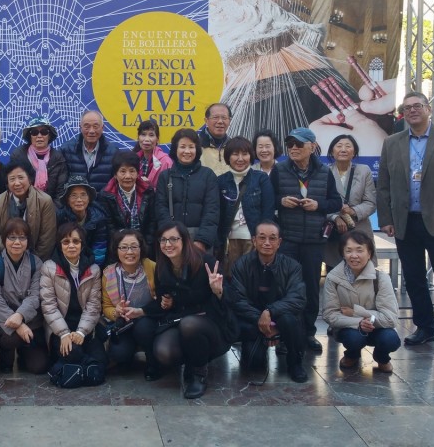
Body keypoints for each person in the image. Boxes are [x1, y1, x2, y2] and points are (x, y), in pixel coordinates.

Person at [378, 91, 434, 358]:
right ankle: (425, 328)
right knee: (414, 279)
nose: (412, 111)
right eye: (407, 108)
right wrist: (386, 219)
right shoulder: (392, 143)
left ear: (428, 109)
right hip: (405, 222)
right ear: (402, 114)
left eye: (417, 106)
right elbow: (383, 185)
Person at [270, 127, 342, 353]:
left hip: (313, 240)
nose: (293, 148)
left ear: (312, 147)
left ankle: (309, 333)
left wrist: (318, 205)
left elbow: (336, 202)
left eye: (299, 145)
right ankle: (284, 335)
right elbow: (268, 199)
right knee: (285, 288)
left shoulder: (324, 172)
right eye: (290, 144)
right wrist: (281, 201)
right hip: (288, 239)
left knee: (311, 288)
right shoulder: (279, 170)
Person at [143, 223, 234, 399]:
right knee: (164, 352)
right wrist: (165, 303)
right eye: (163, 240)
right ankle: (192, 360)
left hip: (212, 325)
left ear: (185, 240)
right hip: (179, 320)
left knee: (190, 324)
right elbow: (165, 299)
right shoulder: (162, 266)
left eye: (173, 239)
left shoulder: (207, 262)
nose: (167, 244)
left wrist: (218, 291)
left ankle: (199, 375)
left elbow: (232, 301)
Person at [223, 220, 308, 383]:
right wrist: (260, 319)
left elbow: (297, 298)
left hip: (281, 316)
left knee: (291, 320)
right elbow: (237, 300)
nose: (267, 243)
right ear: (254, 240)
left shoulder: (292, 266)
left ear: (279, 242)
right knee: (254, 364)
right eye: (262, 238)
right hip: (252, 319)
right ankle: (259, 345)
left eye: (272, 238)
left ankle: (295, 363)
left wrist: (270, 313)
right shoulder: (241, 265)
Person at [323, 230, 401, 373]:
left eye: (360, 250)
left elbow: (390, 318)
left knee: (390, 339)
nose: (354, 256)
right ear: (343, 253)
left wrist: (357, 313)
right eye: (349, 251)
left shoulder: (381, 278)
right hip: (350, 328)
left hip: (378, 327)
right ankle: (352, 355)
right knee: (354, 339)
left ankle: (382, 358)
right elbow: (329, 315)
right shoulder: (333, 278)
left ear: (369, 253)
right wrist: (358, 322)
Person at [39, 223, 106, 380]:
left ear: (82, 245)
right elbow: (48, 306)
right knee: (74, 352)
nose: (71, 246)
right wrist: (64, 334)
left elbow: (94, 306)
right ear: (59, 245)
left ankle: (71, 367)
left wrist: (82, 331)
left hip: (86, 327)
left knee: (103, 360)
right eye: (66, 242)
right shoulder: (49, 268)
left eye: (76, 241)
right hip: (60, 327)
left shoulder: (94, 269)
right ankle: (84, 367)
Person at [0, 218, 48, 374]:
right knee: (10, 338)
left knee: (39, 367)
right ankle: (6, 356)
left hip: (30, 319)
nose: (17, 242)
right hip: (4, 318)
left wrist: (21, 315)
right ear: (4, 240)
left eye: (22, 237)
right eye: (12, 237)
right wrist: (17, 323)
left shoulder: (36, 263)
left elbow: (35, 296)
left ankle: (23, 354)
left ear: (28, 240)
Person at [101, 229, 160, 379]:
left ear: (141, 248)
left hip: (148, 320)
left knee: (143, 327)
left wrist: (142, 311)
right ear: (116, 250)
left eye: (134, 246)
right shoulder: (109, 273)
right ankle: (130, 352)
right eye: (124, 247)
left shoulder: (152, 267)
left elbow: (161, 301)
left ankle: (153, 362)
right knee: (119, 354)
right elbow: (106, 306)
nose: (129, 252)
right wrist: (116, 311)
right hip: (124, 324)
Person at [154, 128, 220, 254]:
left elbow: (212, 211)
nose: (187, 151)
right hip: (171, 240)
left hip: (200, 239)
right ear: (175, 149)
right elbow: (161, 209)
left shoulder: (208, 175)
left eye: (191, 147)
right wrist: (170, 237)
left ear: (197, 149)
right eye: (182, 147)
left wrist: (202, 240)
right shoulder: (165, 176)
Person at [216, 136, 274, 277]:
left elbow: (268, 212)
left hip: (253, 240)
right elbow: (217, 214)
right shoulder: (221, 181)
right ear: (228, 157)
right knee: (231, 279)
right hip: (229, 242)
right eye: (235, 154)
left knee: (254, 278)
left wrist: (261, 238)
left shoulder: (261, 178)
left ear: (251, 155)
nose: (240, 158)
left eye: (245, 154)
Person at [0, 159, 57, 261]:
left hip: (35, 256)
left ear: (30, 179)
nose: (17, 183)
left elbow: (47, 239)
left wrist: (32, 260)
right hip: (2, 254)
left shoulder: (44, 201)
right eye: (12, 179)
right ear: (7, 183)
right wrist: (12, 248)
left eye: (21, 178)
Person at [324, 134, 377, 270]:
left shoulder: (364, 171)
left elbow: (370, 202)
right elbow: (320, 202)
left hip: (359, 228)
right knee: (335, 272)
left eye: (348, 146)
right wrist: (335, 217)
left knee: (362, 271)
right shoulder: (324, 172)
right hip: (335, 231)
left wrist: (353, 211)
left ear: (354, 152)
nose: (343, 149)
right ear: (331, 151)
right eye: (339, 146)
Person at [98, 150, 156, 242]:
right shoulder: (106, 195)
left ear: (138, 173)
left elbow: (152, 223)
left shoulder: (148, 192)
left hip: (144, 244)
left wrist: (146, 246)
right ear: (115, 175)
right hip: (118, 246)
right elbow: (110, 226)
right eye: (123, 171)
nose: (128, 176)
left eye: (132, 171)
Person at [55, 174, 111, 266]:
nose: (79, 200)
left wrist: (90, 269)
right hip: (65, 263)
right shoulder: (60, 217)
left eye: (83, 195)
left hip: (91, 264)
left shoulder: (98, 218)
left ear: (89, 198)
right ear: (67, 199)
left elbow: (99, 250)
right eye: (74, 195)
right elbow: (57, 247)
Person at [58, 110, 118, 193]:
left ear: (102, 128)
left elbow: (115, 186)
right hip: (75, 203)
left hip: (102, 203)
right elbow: (60, 184)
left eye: (96, 126)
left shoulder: (114, 152)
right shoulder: (66, 150)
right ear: (80, 127)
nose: (91, 131)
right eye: (87, 126)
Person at [9, 115, 68, 199]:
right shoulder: (18, 155)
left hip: (51, 208)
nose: (39, 136)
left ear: (49, 135)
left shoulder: (58, 158)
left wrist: (51, 210)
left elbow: (61, 192)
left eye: (44, 132)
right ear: (30, 137)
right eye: (34, 132)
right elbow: (12, 187)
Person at [134, 119, 171, 189]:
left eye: (151, 135)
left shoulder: (165, 161)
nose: (147, 139)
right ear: (138, 137)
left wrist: (149, 186)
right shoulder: (133, 159)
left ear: (157, 139)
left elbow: (169, 191)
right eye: (143, 134)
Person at [197, 103, 232, 176]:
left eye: (224, 118)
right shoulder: (195, 146)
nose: (220, 121)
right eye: (215, 117)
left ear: (229, 121)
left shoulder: (234, 147)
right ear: (206, 120)